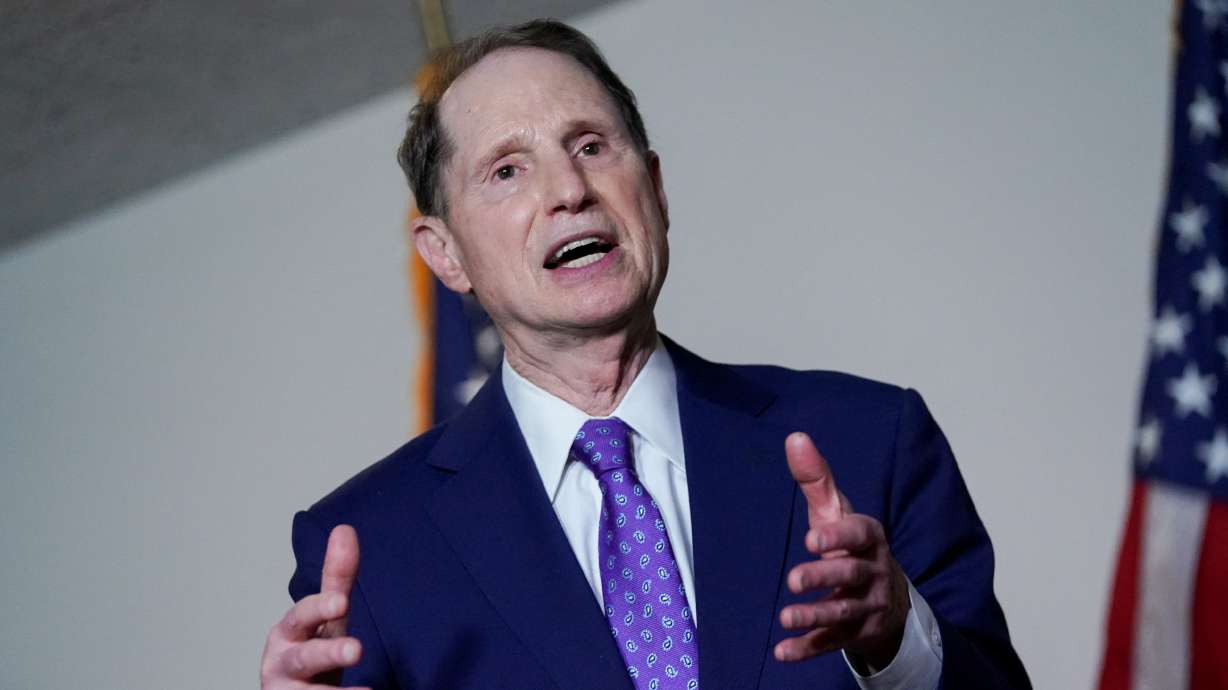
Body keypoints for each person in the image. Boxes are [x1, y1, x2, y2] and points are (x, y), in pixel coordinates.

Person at [259, 19, 1029, 690]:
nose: (570, 189)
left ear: (655, 190)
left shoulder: (871, 438)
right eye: (507, 170)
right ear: (446, 253)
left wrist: (898, 642)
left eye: (591, 145)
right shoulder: (372, 546)